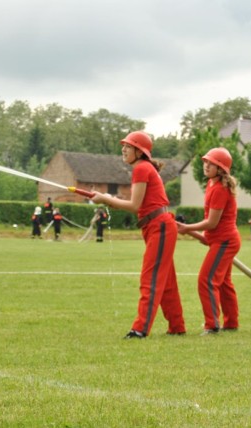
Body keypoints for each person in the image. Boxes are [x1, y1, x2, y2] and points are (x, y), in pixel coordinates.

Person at [89, 131, 186, 339]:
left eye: (129, 146)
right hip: (156, 227)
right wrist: (108, 199)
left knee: (150, 278)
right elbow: (139, 204)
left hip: (159, 226)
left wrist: (107, 199)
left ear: (139, 151)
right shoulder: (144, 168)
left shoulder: (142, 168)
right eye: (123, 145)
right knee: (167, 282)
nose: (123, 149)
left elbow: (134, 206)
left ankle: (140, 329)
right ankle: (177, 326)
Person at [176, 148, 241, 335]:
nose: (206, 165)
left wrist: (187, 228)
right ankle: (231, 322)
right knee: (224, 282)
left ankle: (212, 325)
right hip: (221, 241)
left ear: (220, 168)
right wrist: (187, 229)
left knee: (207, 280)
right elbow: (210, 231)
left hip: (225, 241)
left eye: (211, 163)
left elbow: (212, 223)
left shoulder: (220, 189)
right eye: (205, 161)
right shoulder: (212, 185)